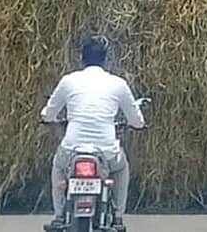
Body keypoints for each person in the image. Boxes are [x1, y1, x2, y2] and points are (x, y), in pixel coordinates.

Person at [40, 36, 145, 231]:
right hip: (106, 151)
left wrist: (48, 118)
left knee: (58, 167)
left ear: (82, 58)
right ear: (105, 60)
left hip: (72, 148)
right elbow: (136, 120)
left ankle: (59, 214)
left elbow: (49, 112)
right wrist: (137, 125)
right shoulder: (118, 84)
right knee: (121, 169)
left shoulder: (68, 81)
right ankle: (119, 216)